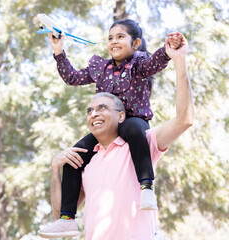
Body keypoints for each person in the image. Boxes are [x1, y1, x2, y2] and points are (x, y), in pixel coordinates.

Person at [38, 34, 193, 239]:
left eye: (102, 108)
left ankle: (146, 185)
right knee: (71, 161)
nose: (94, 113)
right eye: (90, 110)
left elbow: (184, 119)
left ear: (120, 115)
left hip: (136, 130)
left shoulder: (142, 143)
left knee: (134, 129)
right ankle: (69, 220)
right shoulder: (88, 160)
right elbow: (73, 77)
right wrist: (55, 168)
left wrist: (178, 58)